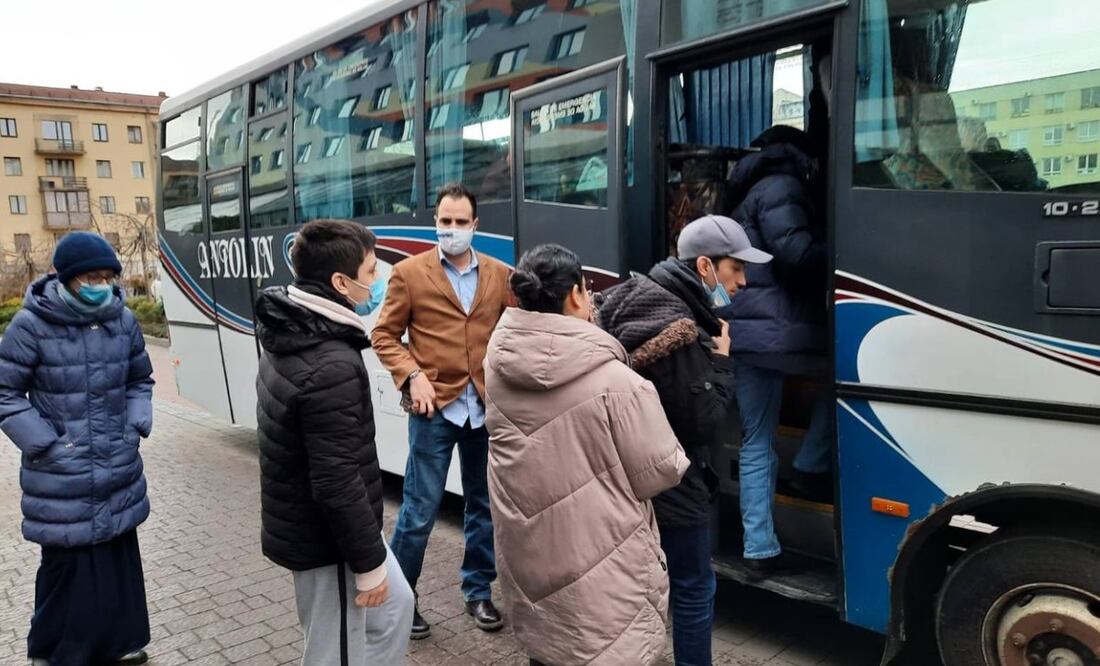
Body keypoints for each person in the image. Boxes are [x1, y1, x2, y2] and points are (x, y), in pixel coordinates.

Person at [484, 244, 689, 666]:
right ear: (577, 294)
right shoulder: (619, 381)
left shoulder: (497, 363)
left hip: (529, 560)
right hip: (603, 571)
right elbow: (661, 472)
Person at [596, 216, 772, 666]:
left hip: (624, 475)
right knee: (694, 586)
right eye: (735, 269)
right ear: (705, 267)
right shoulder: (677, 327)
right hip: (671, 482)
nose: (743, 281)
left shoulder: (639, 297)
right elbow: (702, 424)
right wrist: (722, 363)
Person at [255, 219, 414, 664]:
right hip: (330, 540)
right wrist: (367, 566)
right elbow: (336, 478)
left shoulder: (295, 331)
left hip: (335, 527)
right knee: (332, 651)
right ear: (340, 283)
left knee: (396, 607)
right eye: (369, 272)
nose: (377, 280)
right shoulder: (329, 363)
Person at [0, 231, 154, 666]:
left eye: (107, 276)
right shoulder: (31, 324)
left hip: (118, 462)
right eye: (90, 277)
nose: (100, 284)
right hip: (61, 471)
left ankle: (120, 643)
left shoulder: (122, 320)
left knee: (117, 559)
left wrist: (135, 422)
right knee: (67, 565)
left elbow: (139, 378)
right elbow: (5, 391)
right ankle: (52, 652)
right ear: (65, 278)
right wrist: (45, 442)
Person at [372, 182, 511, 638]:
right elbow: (384, 336)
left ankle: (478, 591)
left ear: (475, 225)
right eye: (444, 222)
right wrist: (412, 375)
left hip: (484, 409)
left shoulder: (499, 274)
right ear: (436, 222)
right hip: (433, 412)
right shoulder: (409, 274)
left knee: (484, 506)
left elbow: (515, 330)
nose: (451, 230)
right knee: (419, 511)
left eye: (459, 222)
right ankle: (401, 598)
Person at [724, 125, 834, 575]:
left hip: (749, 338)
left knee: (756, 441)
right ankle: (809, 467)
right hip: (785, 333)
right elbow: (798, 255)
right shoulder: (783, 187)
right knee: (842, 384)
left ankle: (758, 548)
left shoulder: (746, 192)